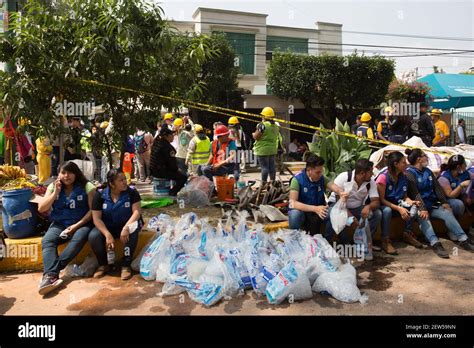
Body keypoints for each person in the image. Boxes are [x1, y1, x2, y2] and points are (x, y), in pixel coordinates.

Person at [37, 161, 96, 295]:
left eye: (70, 172)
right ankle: (51, 275)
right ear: (59, 174)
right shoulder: (53, 186)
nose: (66, 176)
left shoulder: (87, 186)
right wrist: (55, 193)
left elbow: (92, 210)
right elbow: (42, 208)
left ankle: (51, 273)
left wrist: (76, 226)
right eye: (63, 173)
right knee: (47, 241)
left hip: (82, 223)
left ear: (76, 174)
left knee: (78, 238)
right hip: (60, 224)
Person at [405, 149, 474, 257]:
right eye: (425, 155)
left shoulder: (427, 171)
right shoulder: (409, 173)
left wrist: (444, 202)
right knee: (424, 218)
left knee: (446, 212)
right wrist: (422, 208)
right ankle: (435, 243)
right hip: (418, 205)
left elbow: (437, 188)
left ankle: (463, 239)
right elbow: (414, 193)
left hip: (432, 203)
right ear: (419, 159)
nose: (427, 157)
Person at [89, 169, 142, 280]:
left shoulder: (132, 193)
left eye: (125, 179)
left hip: (126, 225)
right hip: (107, 227)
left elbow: (137, 212)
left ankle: (126, 265)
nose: (124, 182)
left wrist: (127, 227)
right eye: (120, 180)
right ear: (112, 184)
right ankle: (103, 264)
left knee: (133, 231)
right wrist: (107, 235)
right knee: (94, 236)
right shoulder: (100, 195)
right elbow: (96, 218)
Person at [325, 159, 382, 249]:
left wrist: (368, 206)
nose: (372, 174)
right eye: (371, 171)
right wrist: (351, 217)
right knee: (337, 216)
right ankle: (339, 243)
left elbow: (376, 201)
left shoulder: (370, 182)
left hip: (357, 208)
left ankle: (363, 242)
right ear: (363, 173)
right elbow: (339, 203)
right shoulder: (344, 177)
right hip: (337, 206)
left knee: (376, 214)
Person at [376, 151, 422, 254]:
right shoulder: (383, 177)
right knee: (387, 211)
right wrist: (399, 208)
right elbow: (381, 200)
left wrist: (412, 202)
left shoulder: (403, 177)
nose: (406, 164)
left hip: (397, 205)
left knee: (413, 208)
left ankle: (407, 234)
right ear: (395, 164)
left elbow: (405, 197)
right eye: (403, 162)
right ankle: (385, 240)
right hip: (384, 205)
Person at [289, 154, 345, 236]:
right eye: (318, 172)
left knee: (337, 214)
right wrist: (315, 209)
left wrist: (341, 192)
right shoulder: (297, 180)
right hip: (304, 211)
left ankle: (326, 240)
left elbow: (334, 187)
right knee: (295, 215)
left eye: (321, 171)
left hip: (320, 210)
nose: (320, 174)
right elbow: (292, 203)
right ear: (309, 170)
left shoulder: (321, 178)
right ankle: (293, 238)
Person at [150, 126, 187, 195]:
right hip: (161, 171)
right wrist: (178, 170)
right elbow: (172, 163)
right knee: (183, 178)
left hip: (153, 170)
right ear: (166, 136)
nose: (173, 136)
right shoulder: (167, 147)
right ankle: (172, 192)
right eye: (171, 135)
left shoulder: (156, 143)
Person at [438, 154, 473, 219]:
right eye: (464, 163)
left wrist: (470, 196)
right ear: (458, 167)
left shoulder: (465, 173)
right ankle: (459, 221)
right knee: (458, 204)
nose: (466, 165)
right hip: (448, 200)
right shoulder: (444, 178)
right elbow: (451, 195)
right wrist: (461, 185)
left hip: (462, 197)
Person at [253, 107, 279, 183]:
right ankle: (272, 183)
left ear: (264, 116)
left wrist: (253, 134)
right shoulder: (276, 126)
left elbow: (256, 137)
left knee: (264, 167)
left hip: (263, 150)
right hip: (272, 149)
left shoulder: (262, 125)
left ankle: (263, 183)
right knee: (272, 167)